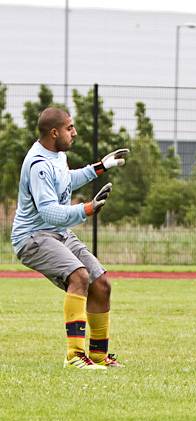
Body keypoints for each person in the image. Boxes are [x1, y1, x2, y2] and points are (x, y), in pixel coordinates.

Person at [11, 107, 129, 370]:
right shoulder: (39, 165)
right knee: (79, 276)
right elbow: (49, 211)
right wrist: (86, 209)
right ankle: (74, 356)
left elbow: (65, 180)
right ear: (54, 132)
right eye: (69, 128)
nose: (74, 133)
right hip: (33, 237)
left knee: (101, 284)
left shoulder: (57, 155)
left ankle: (98, 356)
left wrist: (100, 167)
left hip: (58, 233)